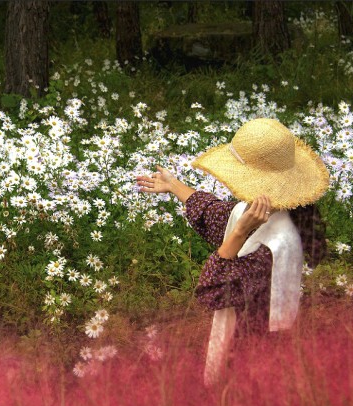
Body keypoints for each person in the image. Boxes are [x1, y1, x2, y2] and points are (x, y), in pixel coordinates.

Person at [135, 118, 330, 386]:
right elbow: (213, 212)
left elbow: (213, 290)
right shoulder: (262, 212)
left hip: (251, 356)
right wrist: (173, 185)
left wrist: (238, 233)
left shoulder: (275, 246)